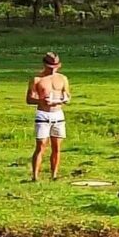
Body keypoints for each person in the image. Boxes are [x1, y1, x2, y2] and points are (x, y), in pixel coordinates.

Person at [26, 52, 69, 181]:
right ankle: (35, 176)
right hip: (43, 114)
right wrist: (41, 101)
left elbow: (67, 95)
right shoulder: (37, 79)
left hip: (58, 113)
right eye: (50, 66)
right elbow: (29, 99)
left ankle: (54, 175)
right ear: (44, 64)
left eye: (55, 67)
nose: (53, 69)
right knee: (41, 145)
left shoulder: (63, 79)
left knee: (57, 147)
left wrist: (64, 99)